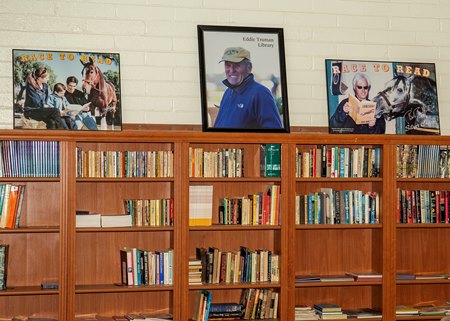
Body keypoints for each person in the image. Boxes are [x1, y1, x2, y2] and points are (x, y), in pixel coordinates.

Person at [213, 47, 283, 129]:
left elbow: (274, 136)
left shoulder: (261, 93)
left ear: (249, 68)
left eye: (237, 65)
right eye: (228, 65)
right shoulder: (228, 92)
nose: (231, 70)